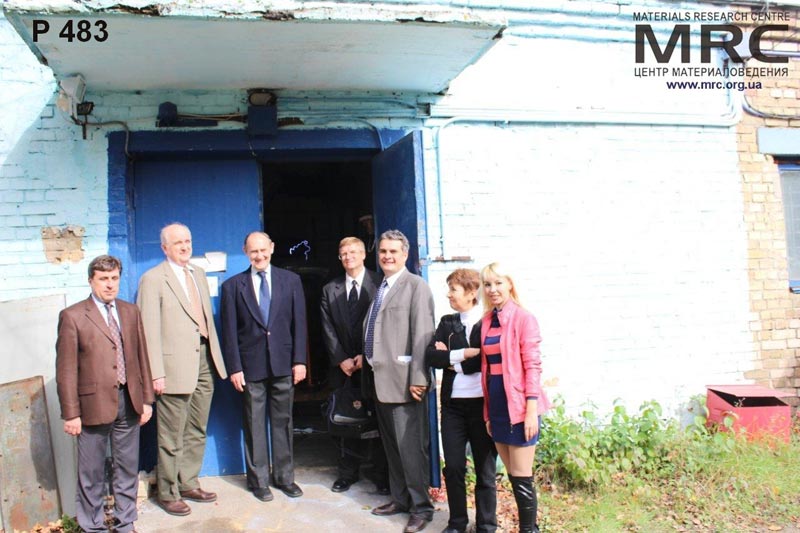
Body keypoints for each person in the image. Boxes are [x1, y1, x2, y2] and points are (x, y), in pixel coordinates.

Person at [55, 255, 154, 533]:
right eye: (103, 279)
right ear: (91, 281)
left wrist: (146, 399)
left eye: (114, 278)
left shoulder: (130, 312)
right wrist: (71, 413)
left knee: (127, 468)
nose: (110, 285)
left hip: (129, 401)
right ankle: (93, 526)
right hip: (92, 406)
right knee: (91, 473)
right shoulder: (73, 316)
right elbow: (65, 370)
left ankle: (125, 523)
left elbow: (141, 358)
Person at [137, 223, 228, 516]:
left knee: (197, 428)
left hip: (205, 360)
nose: (185, 246)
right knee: (170, 435)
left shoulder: (197, 273)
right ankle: (168, 492)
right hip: (172, 366)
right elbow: (147, 330)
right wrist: (156, 372)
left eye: (187, 241)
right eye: (178, 242)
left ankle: (188, 482)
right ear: (164, 248)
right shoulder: (153, 279)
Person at [220, 231, 308, 502]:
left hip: (283, 363)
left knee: (283, 422)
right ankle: (258, 481)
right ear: (245, 252)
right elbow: (229, 332)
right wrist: (235, 367)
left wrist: (300, 360)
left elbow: (300, 324)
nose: (259, 256)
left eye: (263, 250)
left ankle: (284, 477)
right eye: (253, 251)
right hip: (250, 366)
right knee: (254, 424)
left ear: (272, 247)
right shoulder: (233, 286)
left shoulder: (290, 281)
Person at [363, 229, 436, 533]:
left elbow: (423, 335)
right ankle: (401, 499)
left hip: (406, 383)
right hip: (381, 381)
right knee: (392, 448)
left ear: (405, 254)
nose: (387, 256)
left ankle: (422, 508)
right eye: (383, 251)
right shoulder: (381, 287)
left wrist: (419, 378)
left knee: (411, 450)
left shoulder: (416, 286)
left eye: (393, 251)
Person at [479, 262, 550, 533]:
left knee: (522, 476)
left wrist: (531, 410)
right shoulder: (487, 321)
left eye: (498, 282)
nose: (493, 289)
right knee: (514, 476)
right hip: (497, 405)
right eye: (488, 284)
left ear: (510, 284)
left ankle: (528, 530)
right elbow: (487, 370)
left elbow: (533, 366)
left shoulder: (524, 318)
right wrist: (488, 412)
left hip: (520, 406)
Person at [426, 268, 497, 533]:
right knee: (454, 467)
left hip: (482, 406)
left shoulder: (488, 322)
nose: (449, 295)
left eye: (453, 289)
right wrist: (464, 354)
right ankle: (457, 522)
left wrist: (450, 359)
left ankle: (486, 525)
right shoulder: (447, 323)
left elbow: (484, 360)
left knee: (485, 470)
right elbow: (431, 357)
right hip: (453, 407)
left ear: (471, 292)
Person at [320, 236, 389, 494]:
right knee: (344, 420)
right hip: (343, 368)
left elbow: (384, 324)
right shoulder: (330, 289)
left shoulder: (380, 284)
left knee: (378, 420)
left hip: (373, 364)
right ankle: (347, 473)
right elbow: (326, 328)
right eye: (344, 254)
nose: (348, 257)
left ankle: (381, 474)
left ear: (363, 255)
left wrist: (365, 354)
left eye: (353, 252)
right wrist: (341, 358)